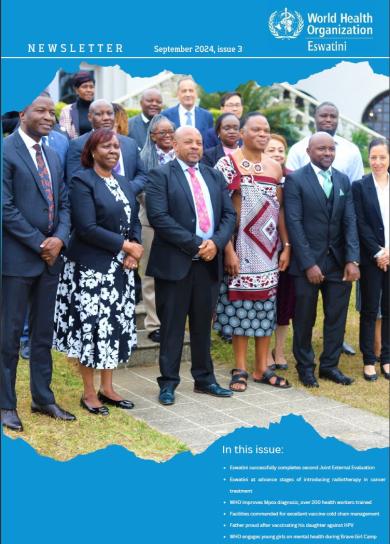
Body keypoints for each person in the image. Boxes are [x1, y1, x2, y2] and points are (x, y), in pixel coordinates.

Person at [53, 129, 143, 415]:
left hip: (120, 270)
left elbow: (135, 221)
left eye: (116, 146)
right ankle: (89, 392)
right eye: (106, 146)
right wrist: (126, 246)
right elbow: (86, 227)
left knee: (113, 327)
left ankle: (108, 387)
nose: (114, 151)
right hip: (90, 268)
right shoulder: (82, 180)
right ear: (93, 151)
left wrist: (134, 248)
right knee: (91, 329)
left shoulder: (124, 182)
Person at [145, 126, 236, 406]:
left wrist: (216, 244)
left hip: (208, 264)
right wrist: (197, 243)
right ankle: (169, 383)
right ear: (175, 144)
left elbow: (229, 215)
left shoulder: (213, 175)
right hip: (176, 263)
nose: (195, 146)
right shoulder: (160, 175)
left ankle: (204, 379)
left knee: (201, 326)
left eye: (198, 142)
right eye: (189, 142)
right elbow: (159, 217)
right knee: (172, 326)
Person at [1, 94, 75, 432]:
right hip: (17, 259)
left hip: (50, 260)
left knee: (43, 334)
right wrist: (39, 244)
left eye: (53, 112)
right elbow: (5, 208)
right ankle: (5, 405)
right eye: (42, 111)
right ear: (22, 113)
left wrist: (59, 239)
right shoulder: (6, 151)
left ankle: (42, 398)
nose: (50, 117)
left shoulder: (52, 153)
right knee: (9, 335)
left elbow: (64, 203)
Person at [214, 113, 291, 392]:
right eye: (256, 129)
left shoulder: (275, 168)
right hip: (240, 249)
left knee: (265, 308)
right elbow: (220, 210)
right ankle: (240, 368)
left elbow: (280, 209)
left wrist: (287, 246)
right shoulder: (227, 163)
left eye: (266, 130)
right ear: (242, 133)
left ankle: (262, 368)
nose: (262, 134)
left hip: (269, 250)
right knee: (239, 308)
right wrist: (228, 250)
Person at [286, 101, 364, 357]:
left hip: (339, 262)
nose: (327, 153)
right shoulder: (296, 180)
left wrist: (352, 259)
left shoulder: (342, 179)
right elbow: (294, 223)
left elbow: (350, 220)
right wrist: (308, 263)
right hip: (308, 262)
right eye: (321, 149)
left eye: (331, 149)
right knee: (304, 318)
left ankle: (330, 365)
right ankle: (305, 366)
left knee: (337, 318)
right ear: (309, 151)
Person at [352, 138, 389, 381]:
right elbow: (360, 223)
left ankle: (386, 358)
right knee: (369, 310)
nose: (377, 162)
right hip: (371, 258)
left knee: (388, 310)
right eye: (373, 157)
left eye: (382, 157)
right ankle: (368, 360)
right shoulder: (360, 186)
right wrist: (379, 252)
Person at [139, 114, 176, 343]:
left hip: (179, 226)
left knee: (174, 275)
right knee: (150, 275)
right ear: (152, 136)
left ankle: (172, 321)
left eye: (171, 132)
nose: (167, 137)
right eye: (162, 133)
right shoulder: (143, 158)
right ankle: (153, 323)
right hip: (150, 223)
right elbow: (140, 191)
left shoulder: (181, 157)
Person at [66, 99, 146, 194]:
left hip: (129, 203)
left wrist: (128, 189)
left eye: (110, 113)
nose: (106, 118)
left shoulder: (130, 143)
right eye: (99, 114)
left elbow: (142, 175)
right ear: (90, 117)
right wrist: (108, 195)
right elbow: (74, 180)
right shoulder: (78, 144)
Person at [264, 134, 295, 371]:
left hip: (287, 247)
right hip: (260, 248)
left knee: (285, 300)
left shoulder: (293, 178)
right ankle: (264, 353)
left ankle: (280, 350)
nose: (277, 154)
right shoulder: (258, 176)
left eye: (280, 150)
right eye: (272, 149)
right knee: (265, 300)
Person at [163, 77, 213, 141]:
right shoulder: (166, 116)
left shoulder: (207, 116)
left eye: (191, 91)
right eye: (184, 91)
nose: (188, 94)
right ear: (178, 94)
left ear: (196, 94)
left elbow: (209, 141)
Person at [59, 71, 95, 139]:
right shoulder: (67, 110)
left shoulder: (99, 109)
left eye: (91, 87)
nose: (89, 90)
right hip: (76, 148)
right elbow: (64, 137)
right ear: (76, 90)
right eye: (84, 87)